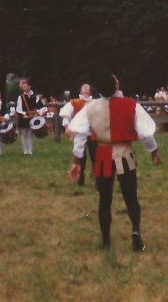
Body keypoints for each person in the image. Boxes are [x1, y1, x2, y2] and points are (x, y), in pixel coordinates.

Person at [66, 75, 161, 252]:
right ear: (116, 85)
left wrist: (77, 161)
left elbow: (79, 134)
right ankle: (135, 230)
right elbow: (146, 133)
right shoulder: (131, 104)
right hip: (124, 153)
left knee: (104, 199)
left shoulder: (90, 108)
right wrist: (154, 151)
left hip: (102, 154)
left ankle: (106, 241)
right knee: (131, 197)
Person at [59, 84, 95, 183]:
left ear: (90, 91)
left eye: (87, 87)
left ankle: (97, 179)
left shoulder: (95, 103)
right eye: (83, 87)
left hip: (93, 133)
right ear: (80, 90)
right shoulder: (74, 102)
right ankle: (80, 178)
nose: (85, 88)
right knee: (80, 155)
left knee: (94, 156)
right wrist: (66, 127)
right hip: (80, 133)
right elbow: (66, 115)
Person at [15, 79, 41, 156]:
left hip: (32, 117)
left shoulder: (35, 96)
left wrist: (36, 113)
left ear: (29, 86)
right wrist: (24, 114)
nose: (24, 88)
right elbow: (18, 108)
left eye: (25, 86)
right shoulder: (20, 97)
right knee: (23, 134)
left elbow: (41, 107)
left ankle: (30, 151)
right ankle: (25, 151)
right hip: (23, 117)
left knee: (29, 134)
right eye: (23, 87)